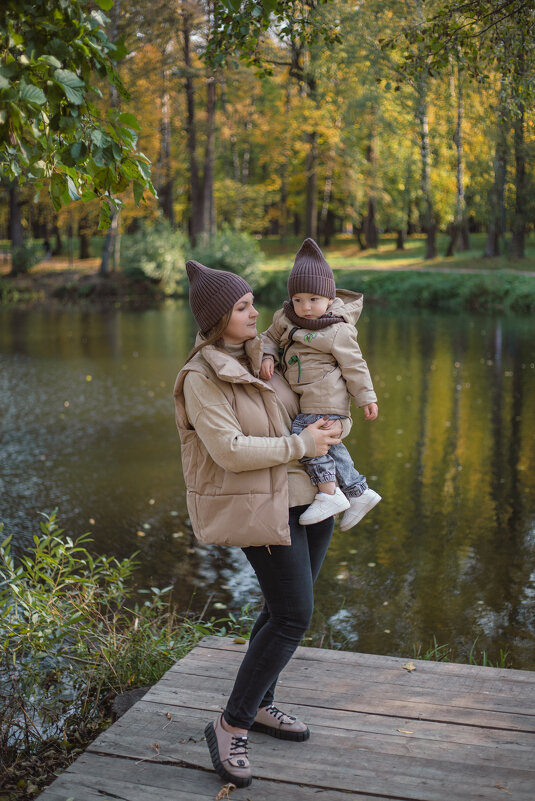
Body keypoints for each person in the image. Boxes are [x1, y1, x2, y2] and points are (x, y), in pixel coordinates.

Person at [173, 259, 349, 788]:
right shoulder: (200, 377)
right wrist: (302, 444)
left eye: (253, 303)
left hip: (311, 497)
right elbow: (228, 449)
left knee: (280, 608)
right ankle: (231, 724)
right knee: (295, 615)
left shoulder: (266, 354)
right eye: (243, 306)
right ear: (217, 318)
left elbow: (325, 371)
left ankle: (264, 704)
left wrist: (336, 418)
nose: (256, 312)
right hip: (257, 505)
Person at [259, 238, 381, 530]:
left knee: (307, 434)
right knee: (331, 446)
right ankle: (358, 492)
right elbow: (268, 337)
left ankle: (329, 493)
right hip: (307, 396)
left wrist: (366, 398)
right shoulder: (286, 319)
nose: (305, 307)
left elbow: (355, 366)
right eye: (298, 300)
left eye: (313, 299)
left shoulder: (337, 329)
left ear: (329, 299)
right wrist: (267, 354)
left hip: (327, 397)